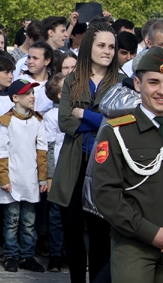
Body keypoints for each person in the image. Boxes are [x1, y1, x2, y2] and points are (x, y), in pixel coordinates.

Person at [48, 22, 125, 283]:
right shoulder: (72, 81)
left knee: (100, 233)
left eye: (111, 47)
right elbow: (65, 122)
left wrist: (86, 114)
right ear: (89, 46)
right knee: (72, 232)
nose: (107, 51)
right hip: (74, 164)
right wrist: (101, 120)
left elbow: (120, 123)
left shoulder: (121, 83)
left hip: (105, 165)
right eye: (101, 45)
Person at [93, 46, 163, 283]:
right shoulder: (116, 131)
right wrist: (151, 233)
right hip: (134, 246)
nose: (162, 91)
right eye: (153, 82)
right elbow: (105, 194)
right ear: (138, 85)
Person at [0, 79, 48, 273]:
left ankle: (27, 255)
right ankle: (11, 255)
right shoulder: (6, 121)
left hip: (30, 179)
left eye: (32, 93)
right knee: (11, 221)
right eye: (27, 93)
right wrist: (4, 178)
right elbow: (1, 153)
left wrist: (42, 177)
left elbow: (42, 151)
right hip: (12, 179)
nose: (32, 96)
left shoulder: (37, 120)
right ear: (16, 98)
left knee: (28, 222)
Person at [43, 72, 66, 273]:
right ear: (60, 95)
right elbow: (49, 147)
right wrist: (49, 176)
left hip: (73, 170)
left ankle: (69, 251)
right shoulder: (51, 116)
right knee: (56, 216)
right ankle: (56, 254)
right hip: (58, 172)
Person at [21, 41, 55, 114]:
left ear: (47, 61)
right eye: (29, 57)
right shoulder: (21, 81)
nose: (30, 61)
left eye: (35, 58)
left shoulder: (55, 82)